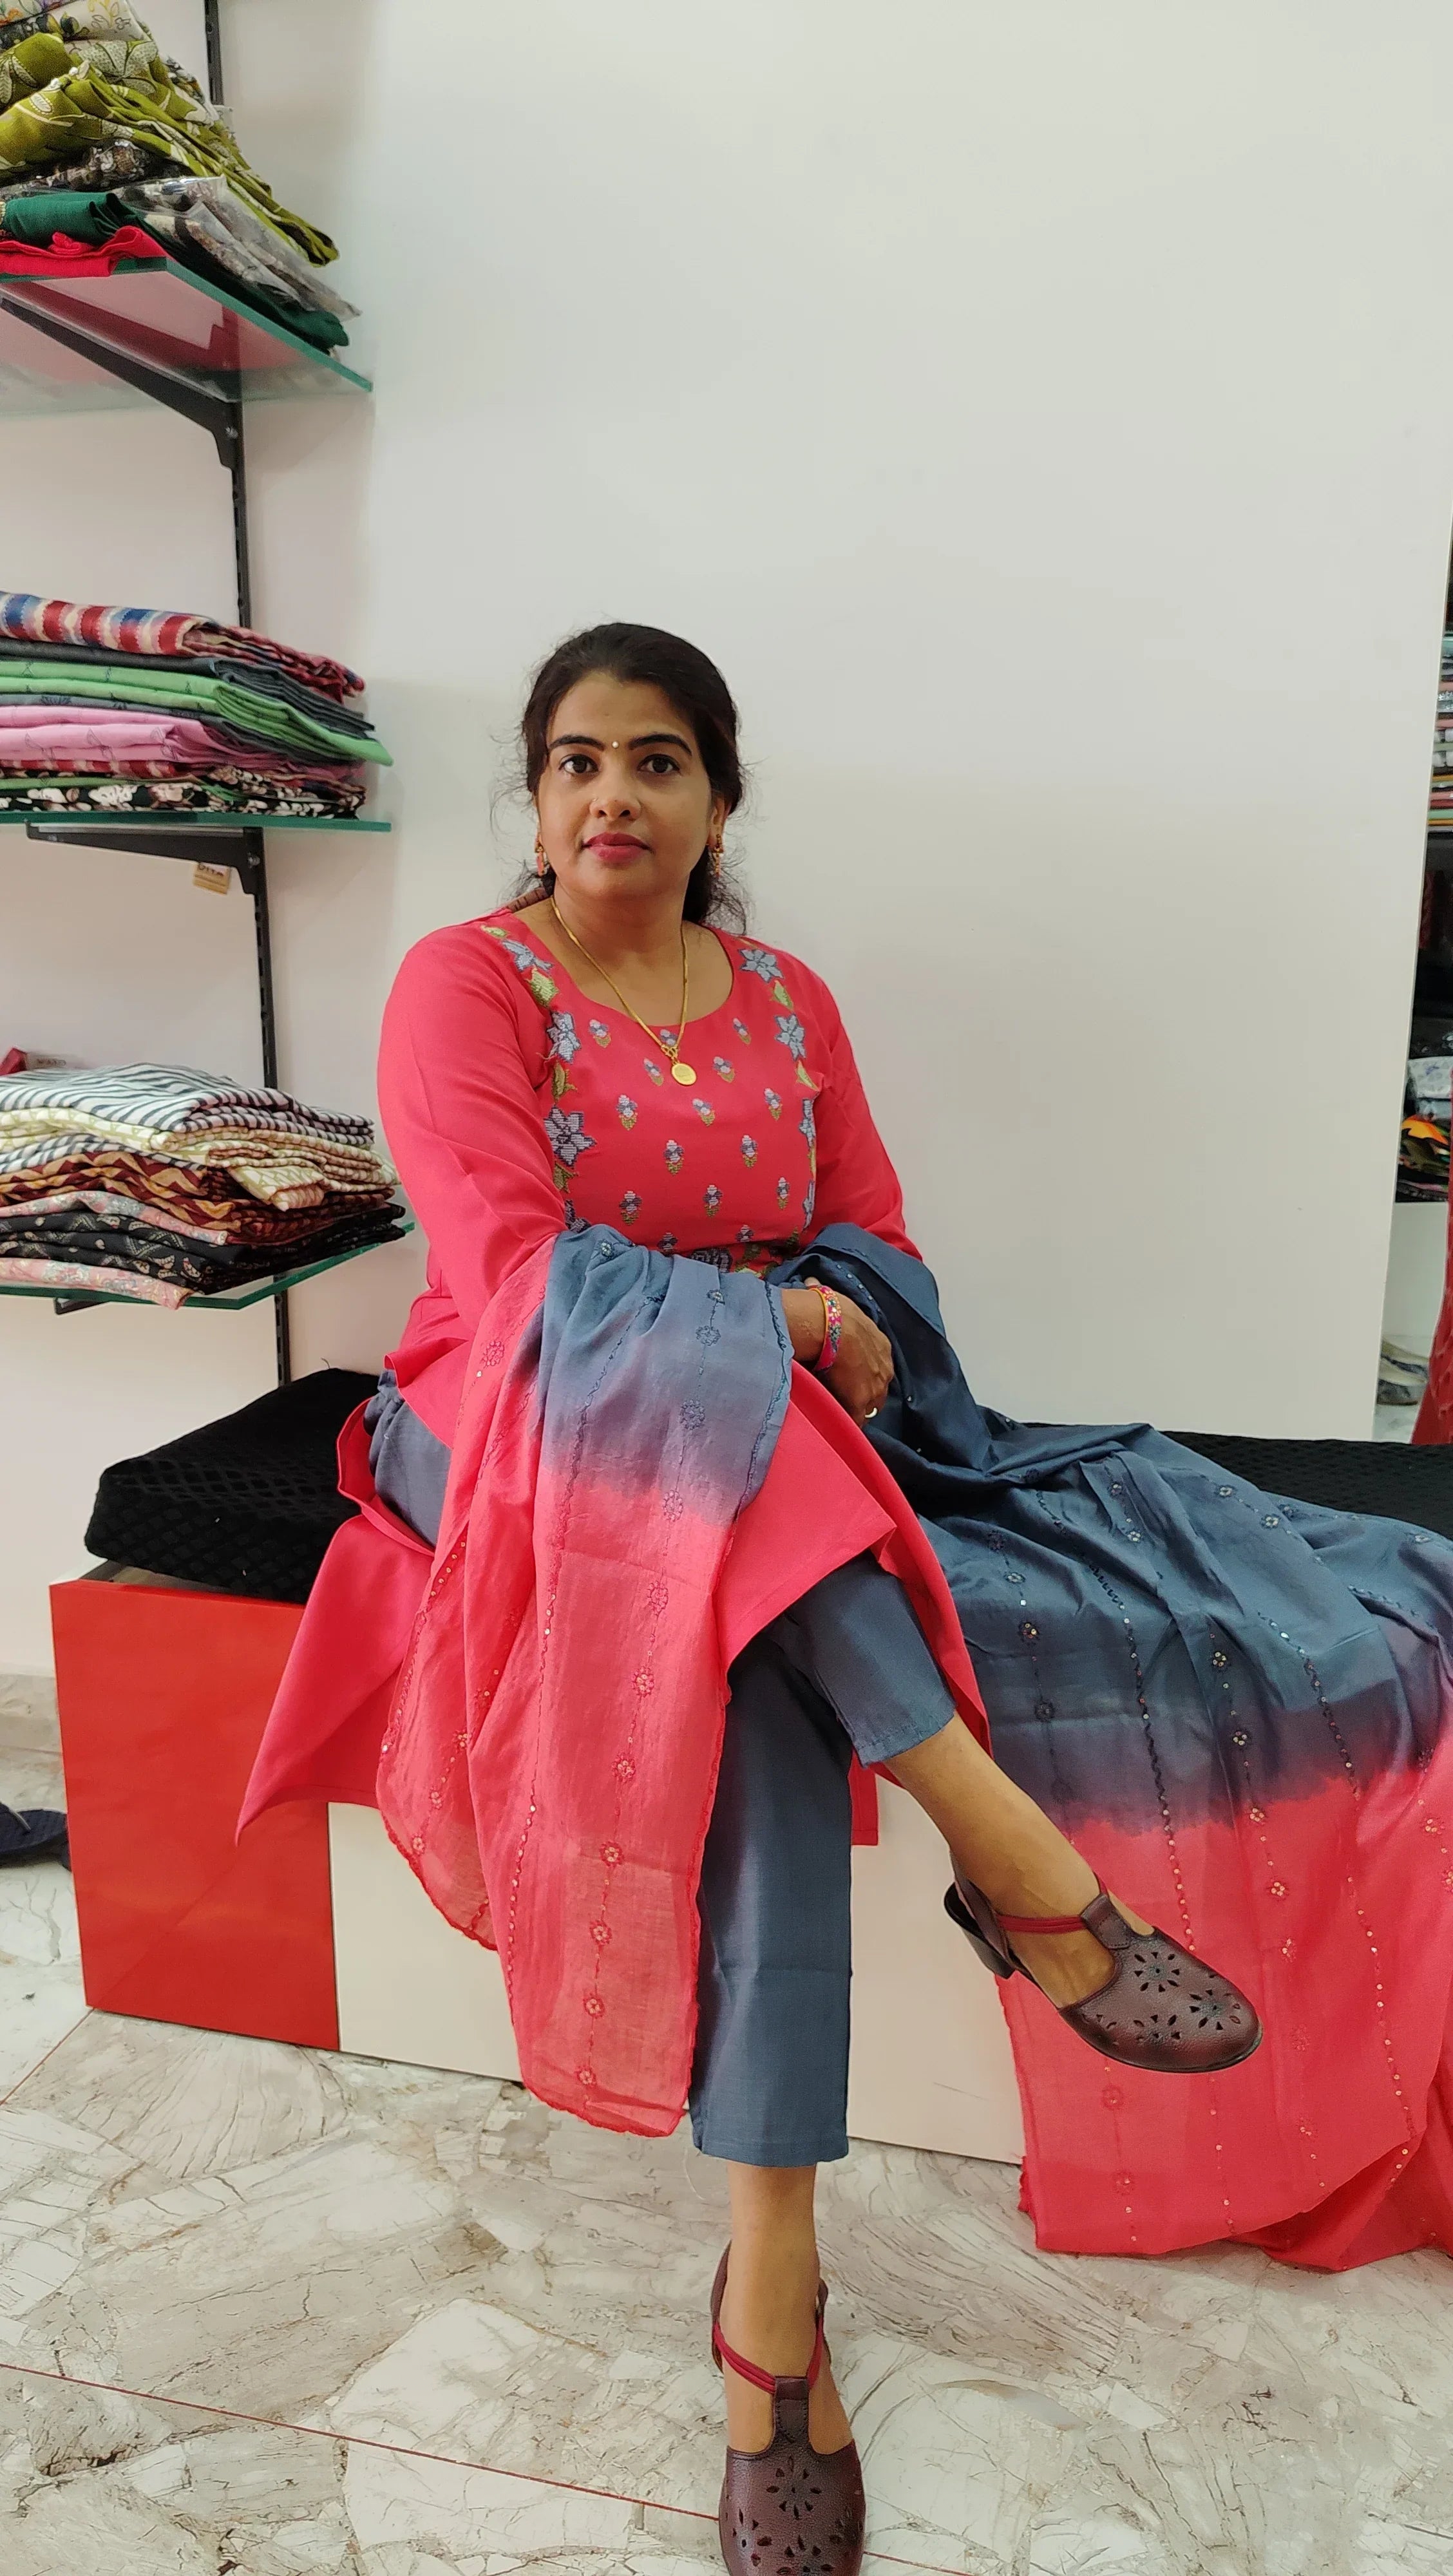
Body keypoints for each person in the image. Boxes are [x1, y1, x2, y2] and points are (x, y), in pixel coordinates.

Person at [243, 623, 1453, 2576]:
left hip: (761, 1442)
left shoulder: (786, 999)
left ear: (720, 799)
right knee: (733, 1428)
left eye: (654, 761)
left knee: (755, 1545)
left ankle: (773, 2308)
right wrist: (769, 1326)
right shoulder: (466, 987)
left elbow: (880, 1235)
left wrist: (821, 1319)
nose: (610, 797)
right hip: (506, 1408)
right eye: (572, 763)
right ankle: (1018, 1865)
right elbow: (521, 1273)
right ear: (535, 803)